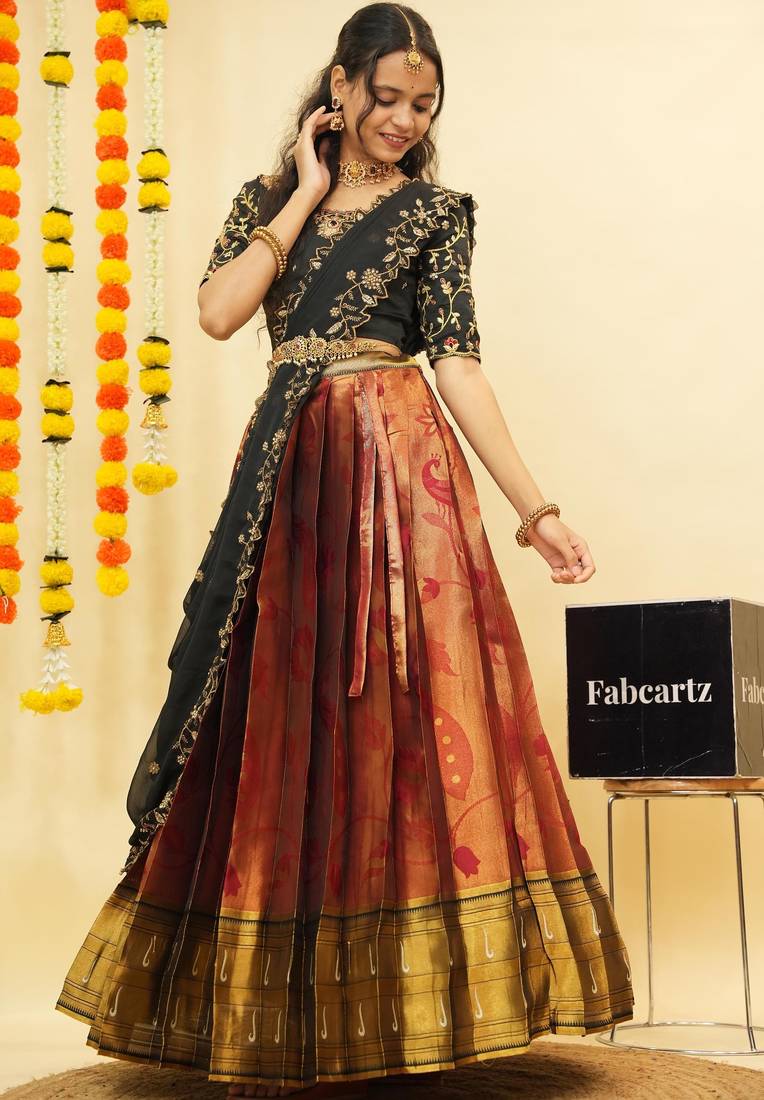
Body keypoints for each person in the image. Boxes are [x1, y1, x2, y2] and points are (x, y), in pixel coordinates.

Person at [55, 4, 634, 1097]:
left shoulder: (436, 214)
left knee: (404, 711)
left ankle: (413, 1008)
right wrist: (305, 189)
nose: (404, 121)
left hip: (399, 471)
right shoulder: (266, 202)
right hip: (291, 472)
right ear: (340, 86)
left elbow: (458, 365)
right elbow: (220, 313)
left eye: (424, 105)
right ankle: (287, 1010)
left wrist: (536, 510)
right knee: (282, 709)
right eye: (386, 98)